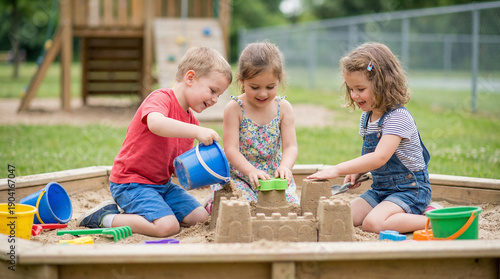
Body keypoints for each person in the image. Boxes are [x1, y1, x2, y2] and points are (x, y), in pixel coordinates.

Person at [77, 46, 233, 237]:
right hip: (131, 182)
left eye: (219, 95)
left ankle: (152, 212)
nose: (216, 99)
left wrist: (196, 175)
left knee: (200, 217)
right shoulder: (161, 98)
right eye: (213, 91)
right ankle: (105, 217)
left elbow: (176, 165)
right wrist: (197, 131)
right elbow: (155, 123)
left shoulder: (192, 121)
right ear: (190, 78)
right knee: (168, 227)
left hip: (161, 186)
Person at [307, 42, 433, 234]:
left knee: (372, 224)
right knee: (342, 216)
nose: (354, 95)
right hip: (381, 191)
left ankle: (430, 219)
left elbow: (379, 157)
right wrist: (357, 172)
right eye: (350, 89)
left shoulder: (398, 117)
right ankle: (398, 215)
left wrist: (338, 169)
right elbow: (369, 156)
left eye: (360, 89)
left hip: (410, 191)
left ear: (383, 84)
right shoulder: (367, 117)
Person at [210, 42, 299, 205]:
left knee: (290, 204)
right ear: (242, 80)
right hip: (241, 175)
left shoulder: (283, 108)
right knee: (244, 205)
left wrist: (285, 166)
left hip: (272, 176)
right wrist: (250, 171)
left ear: (280, 80)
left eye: (270, 86)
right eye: (255, 87)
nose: (263, 93)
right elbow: (231, 149)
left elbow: (290, 147)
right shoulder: (235, 108)